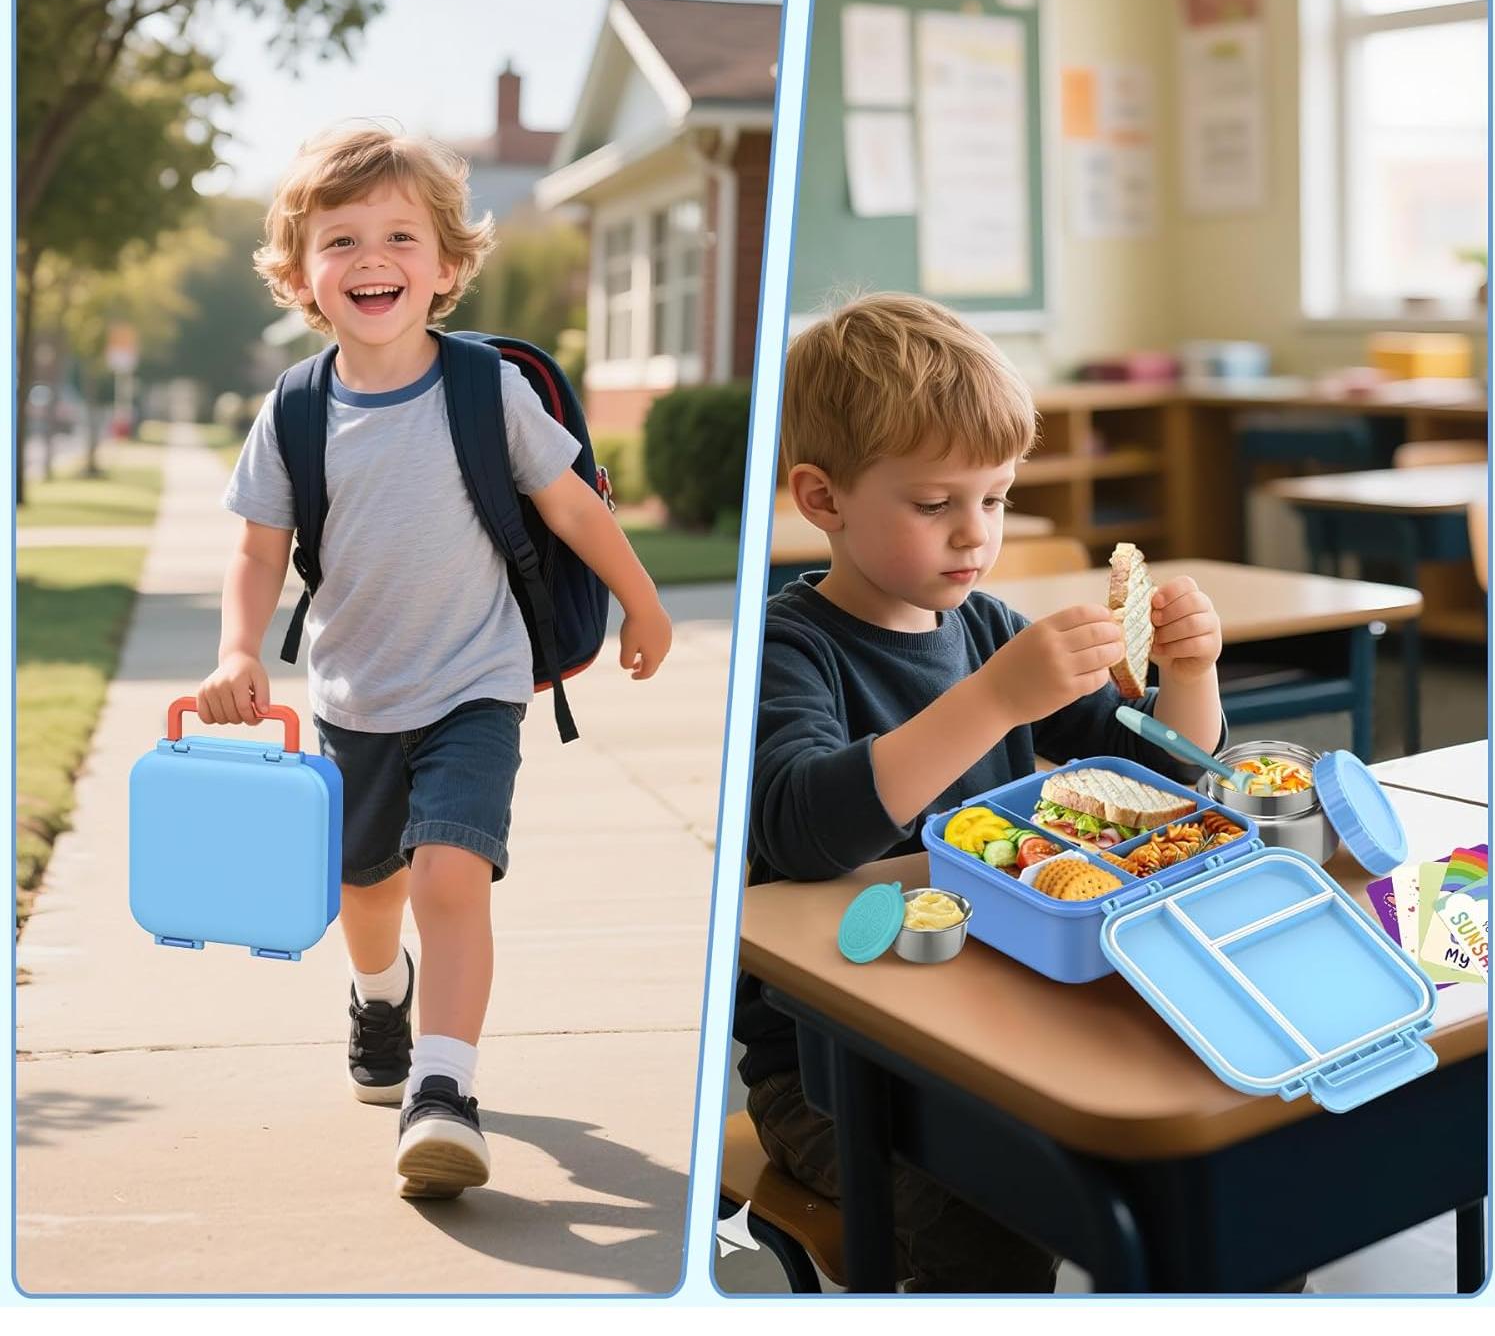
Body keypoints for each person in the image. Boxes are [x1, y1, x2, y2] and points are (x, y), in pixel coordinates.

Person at [198, 125, 673, 1198]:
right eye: (342, 239)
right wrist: (238, 647)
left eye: (401, 235)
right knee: (364, 888)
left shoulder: (483, 388)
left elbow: (573, 508)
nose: (373, 258)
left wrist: (642, 601)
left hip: (476, 684)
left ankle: (444, 1089)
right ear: (302, 274)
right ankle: (380, 994)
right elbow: (258, 547)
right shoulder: (295, 410)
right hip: (354, 693)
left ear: (447, 265)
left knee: (450, 874)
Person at [735, 293, 1226, 1291]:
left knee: (1207, 1179)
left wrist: (1191, 671)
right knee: (992, 1228)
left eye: (995, 499)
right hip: (835, 1073)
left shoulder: (989, 625)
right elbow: (806, 834)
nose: (975, 534)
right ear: (821, 498)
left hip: (997, 1018)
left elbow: (1163, 776)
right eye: (934, 504)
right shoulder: (788, 648)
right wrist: (995, 700)